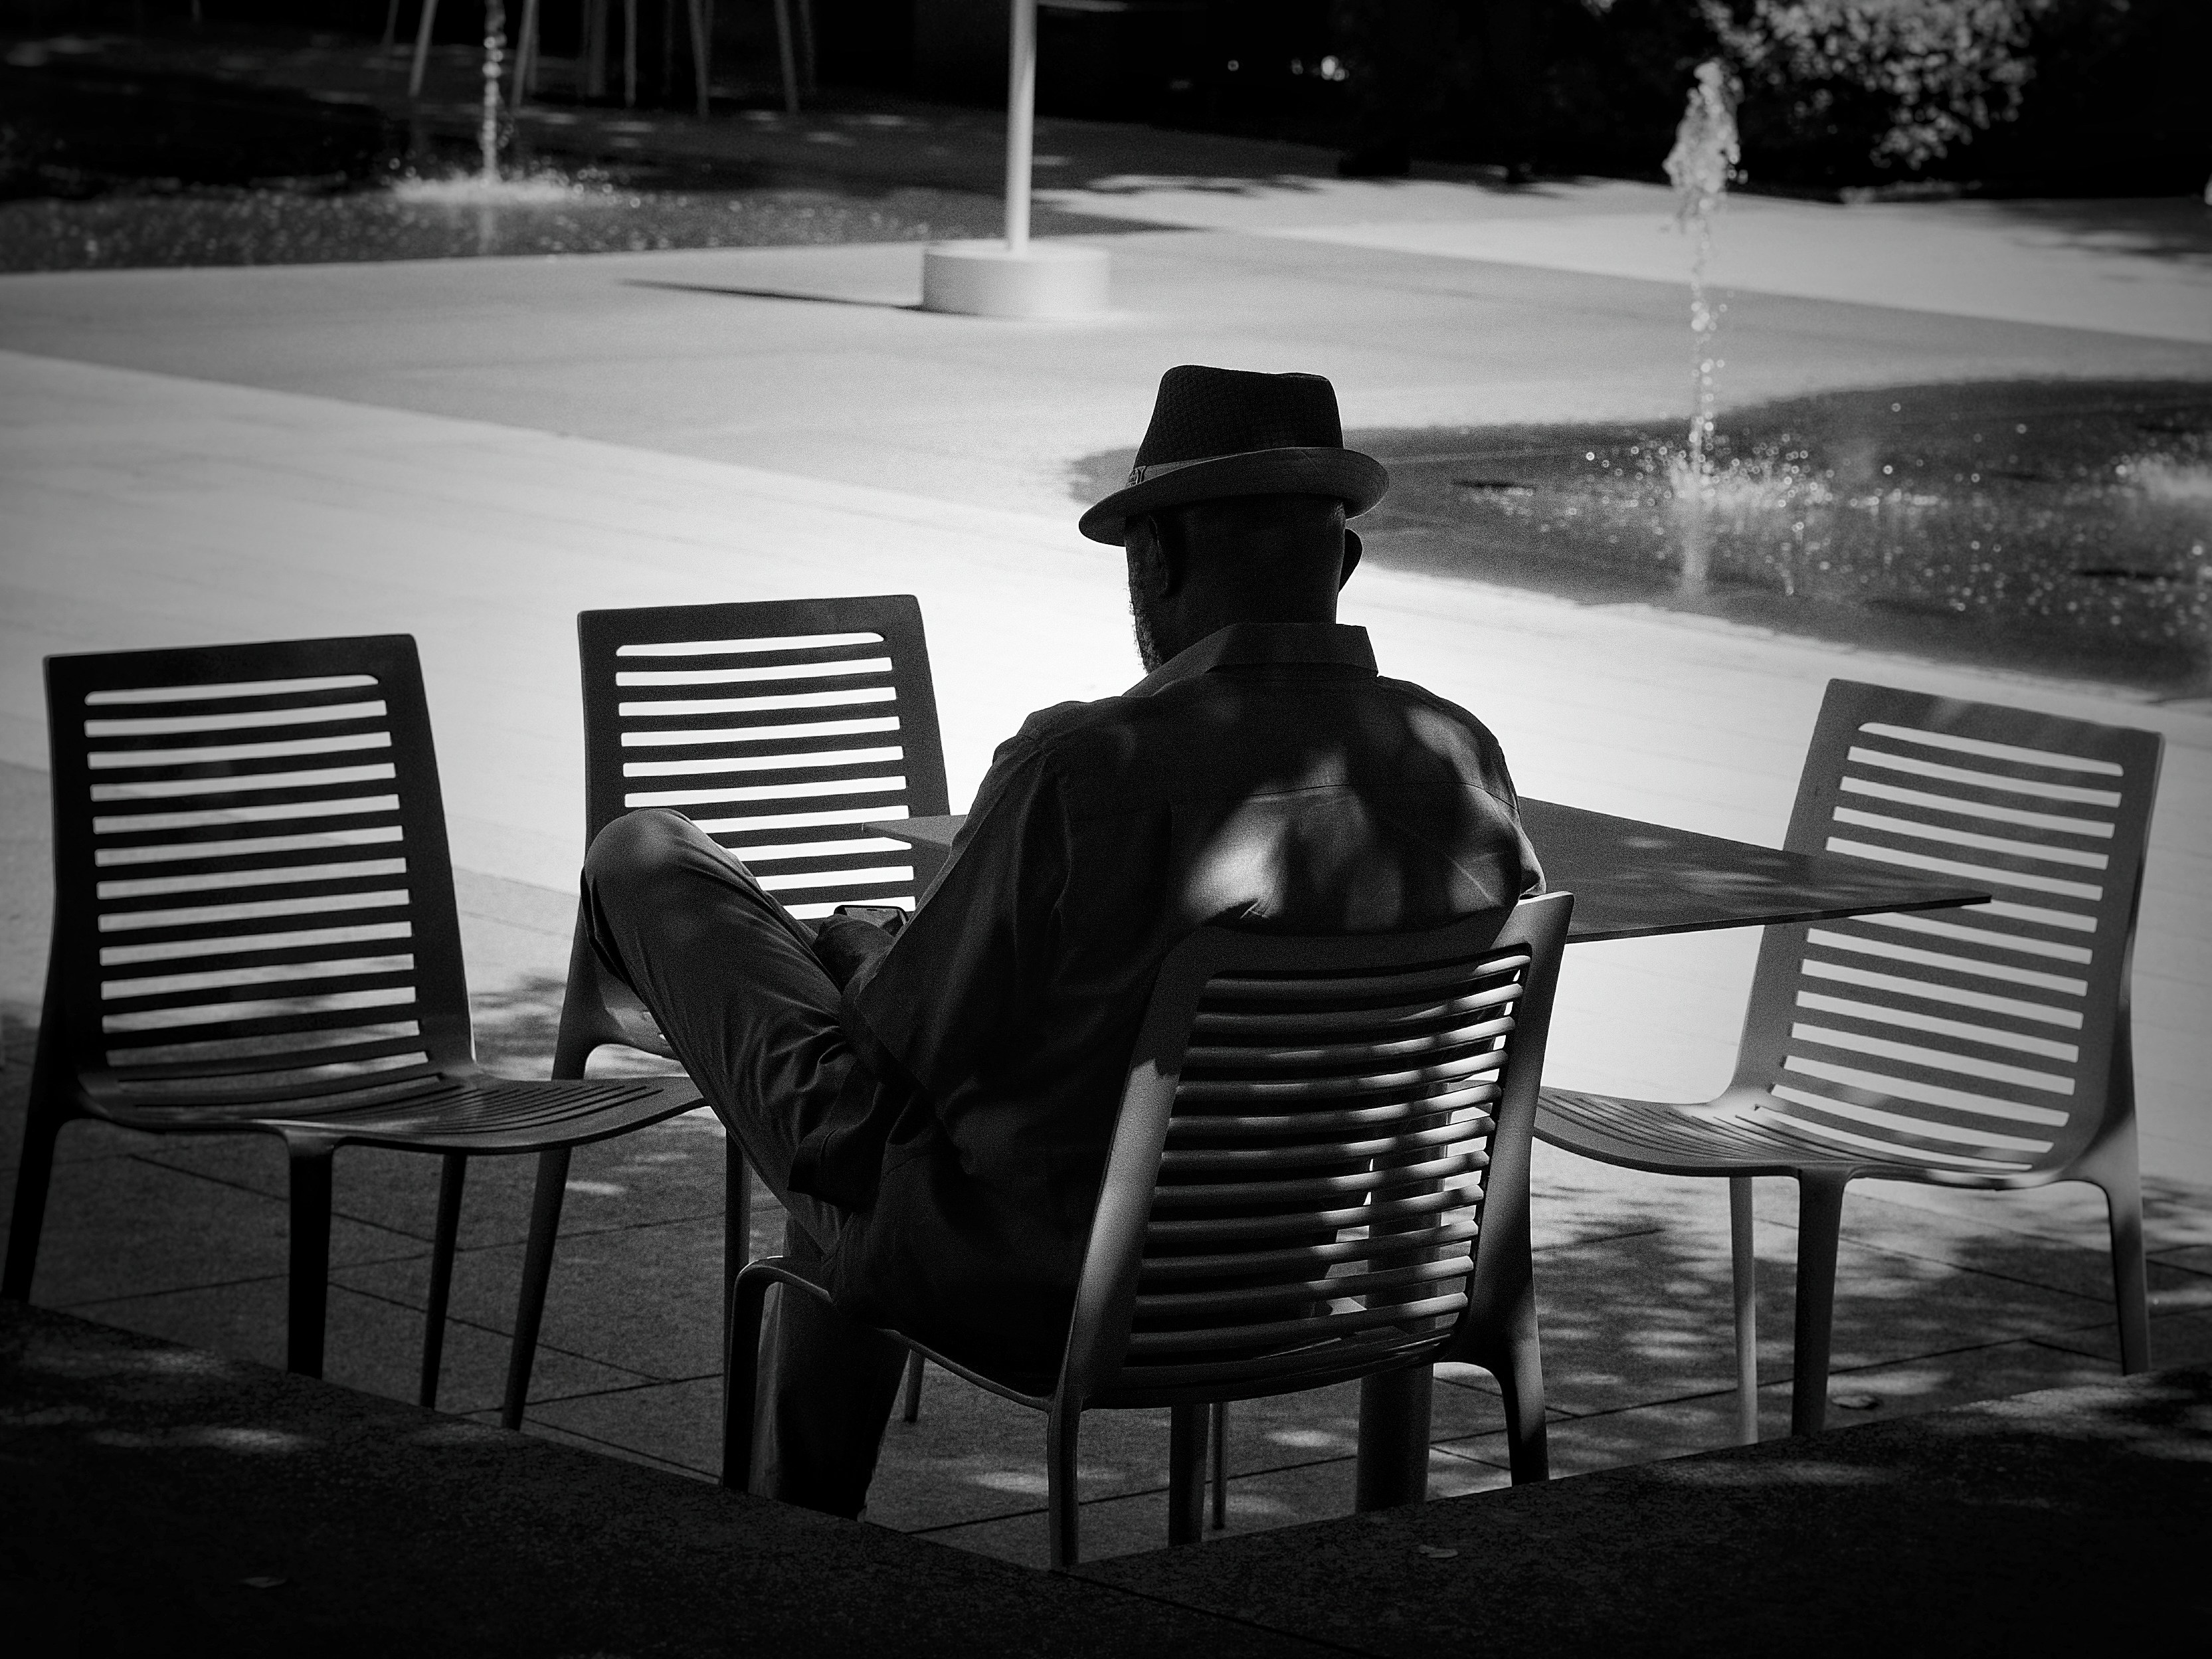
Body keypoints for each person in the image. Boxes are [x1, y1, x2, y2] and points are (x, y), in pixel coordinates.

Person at [582, 365, 1542, 1519]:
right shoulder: (1459, 760)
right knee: (888, 1122)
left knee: (650, 862)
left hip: (1063, 1293)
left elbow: (879, 1080)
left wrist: (857, 966)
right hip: (1354, 1283)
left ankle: (801, 1537)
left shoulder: (1082, 770)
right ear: (1339, 565)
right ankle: (800, 1529)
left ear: (1156, 558)